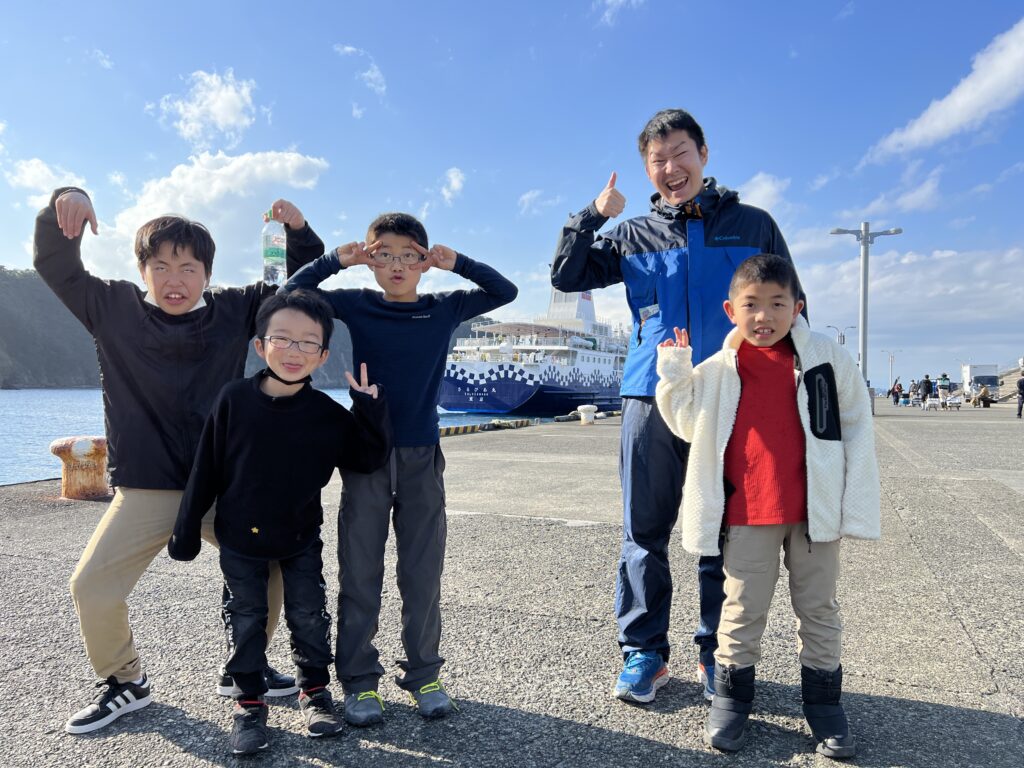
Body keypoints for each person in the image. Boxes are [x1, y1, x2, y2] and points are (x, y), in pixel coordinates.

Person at [34, 188, 317, 734]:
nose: (174, 279)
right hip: (147, 486)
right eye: (160, 266)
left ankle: (245, 666)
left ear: (207, 274)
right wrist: (64, 203)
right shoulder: (111, 308)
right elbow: (56, 264)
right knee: (92, 586)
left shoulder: (237, 310)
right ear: (142, 270)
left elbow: (298, 285)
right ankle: (125, 681)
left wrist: (298, 233)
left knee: (272, 569)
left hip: (224, 483)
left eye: (188, 267)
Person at [550, 108, 795, 703]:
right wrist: (590, 217)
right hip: (649, 391)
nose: (670, 167)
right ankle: (643, 652)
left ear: (703, 155)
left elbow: (792, 304)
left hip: (731, 390)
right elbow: (566, 275)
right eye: (657, 160)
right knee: (643, 528)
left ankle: (718, 651)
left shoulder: (754, 224)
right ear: (647, 170)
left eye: (680, 152)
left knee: (724, 530)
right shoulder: (632, 234)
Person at [281, 207, 517, 725]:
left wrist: (458, 263)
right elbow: (290, 296)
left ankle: (424, 674)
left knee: (422, 572)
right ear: (370, 260)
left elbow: (506, 291)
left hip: (421, 456)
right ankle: (359, 682)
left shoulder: (445, 308)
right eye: (383, 254)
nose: (396, 265)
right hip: (366, 454)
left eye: (409, 256)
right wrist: (334, 260)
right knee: (360, 573)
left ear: (424, 262)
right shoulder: (356, 304)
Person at [655, 254, 880, 757]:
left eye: (778, 304)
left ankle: (824, 705)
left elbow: (856, 427)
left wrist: (854, 501)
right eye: (751, 304)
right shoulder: (718, 369)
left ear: (797, 308)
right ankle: (731, 703)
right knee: (741, 609)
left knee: (819, 608)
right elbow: (687, 423)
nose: (764, 316)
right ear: (730, 309)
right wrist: (674, 372)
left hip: (816, 513)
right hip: (747, 513)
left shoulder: (826, 359)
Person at [167, 290, 392, 755]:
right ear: (260, 345)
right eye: (282, 338)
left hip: (300, 536)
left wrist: (369, 407)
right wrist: (184, 531)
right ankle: (249, 705)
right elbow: (205, 469)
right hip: (239, 537)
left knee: (309, 615)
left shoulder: (327, 415)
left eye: (309, 342)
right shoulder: (233, 400)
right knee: (246, 618)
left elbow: (367, 458)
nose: (294, 350)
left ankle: (315, 693)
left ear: (323, 355)